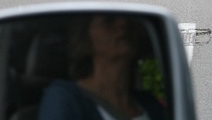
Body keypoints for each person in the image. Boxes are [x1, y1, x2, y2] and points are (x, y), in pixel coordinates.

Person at [38, 15, 166, 120]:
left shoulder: (150, 103)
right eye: (108, 20)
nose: (123, 23)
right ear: (85, 40)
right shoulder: (65, 98)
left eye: (129, 19)